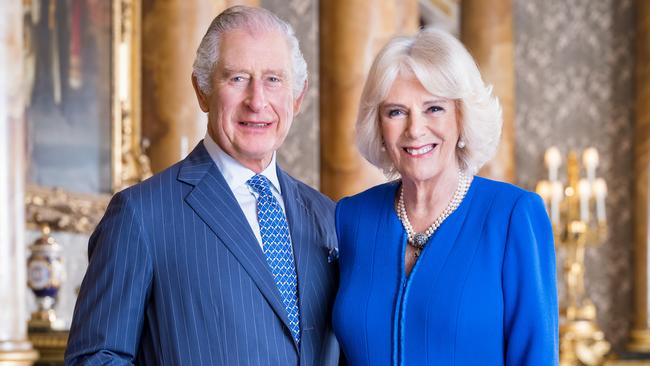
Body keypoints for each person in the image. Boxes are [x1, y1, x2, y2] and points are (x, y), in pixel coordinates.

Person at [65, 6, 340, 365]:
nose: (257, 101)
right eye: (237, 78)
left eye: (274, 79)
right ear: (202, 90)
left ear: (297, 97)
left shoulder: (328, 215)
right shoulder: (140, 215)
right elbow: (96, 358)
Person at [332, 28, 558, 365]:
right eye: (396, 112)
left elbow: (535, 355)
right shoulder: (351, 218)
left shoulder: (512, 216)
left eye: (434, 108)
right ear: (378, 126)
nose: (415, 129)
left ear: (461, 116)